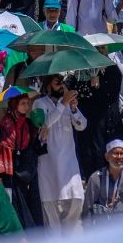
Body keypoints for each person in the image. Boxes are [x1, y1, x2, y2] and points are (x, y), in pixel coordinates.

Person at [33, 74, 87, 233]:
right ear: (48, 86)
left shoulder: (67, 105)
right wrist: (63, 103)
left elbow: (82, 125)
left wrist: (74, 109)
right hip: (49, 165)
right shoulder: (39, 103)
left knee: (76, 200)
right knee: (52, 214)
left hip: (69, 164)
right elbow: (44, 123)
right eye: (58, 83)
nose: (62, 86)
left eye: (63, 83)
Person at [82, 139, 123, 223]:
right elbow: (87, 210)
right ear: (107, 157)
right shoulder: (96, 178)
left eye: (122, 153)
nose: (119, 157)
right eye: (115, 153)